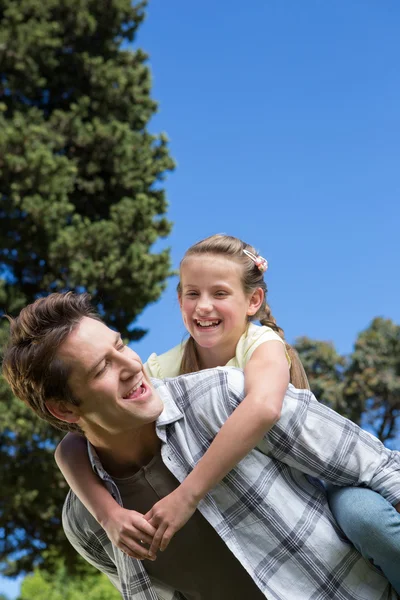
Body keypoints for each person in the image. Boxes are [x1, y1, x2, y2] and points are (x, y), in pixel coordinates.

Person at [54, 235, 400, 590]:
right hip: (259, 514)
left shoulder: (262, 344)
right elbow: (72, 445)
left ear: (253, 301)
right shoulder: (162, 368)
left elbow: (263, 407)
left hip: (319, 483)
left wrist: (186, 495)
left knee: (365, 517)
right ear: (179, 300)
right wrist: (107, 514)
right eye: (192, 293)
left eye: (219, 294)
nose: (203, 306)